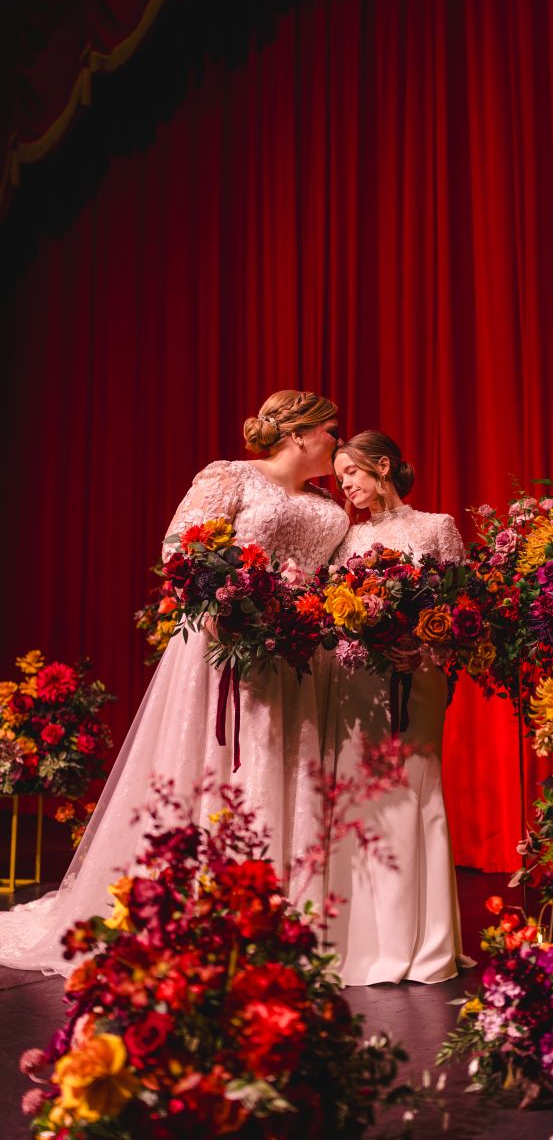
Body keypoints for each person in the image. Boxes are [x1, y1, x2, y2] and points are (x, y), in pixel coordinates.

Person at [0, 390, 349, 977]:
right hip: (225, 645)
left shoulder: (327, 505)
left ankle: (283, 908)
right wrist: (224, 602)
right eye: (332, 431)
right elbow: (179, 548)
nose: (338, 442)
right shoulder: (231, 476)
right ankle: (209, 901)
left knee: (289, 759)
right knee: (216, 762)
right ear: (299, 434)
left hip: (297, 655)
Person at [324, 430, 471, 985]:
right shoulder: (346, 540)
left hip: (419, 674)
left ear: (381, 467)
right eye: (340, 480)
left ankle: (427, 945)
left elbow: (462, 612)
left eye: (352, 475)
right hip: (356, 681)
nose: (347, 487)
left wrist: (425, 646)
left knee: (414, 788)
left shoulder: (436, 528)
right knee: (362, 798)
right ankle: (362, 943)